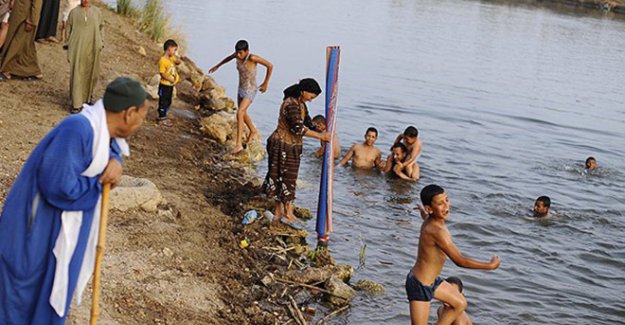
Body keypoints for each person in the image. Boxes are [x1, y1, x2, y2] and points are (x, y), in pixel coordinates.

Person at [0, 77, 148, 324]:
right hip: (33, 230)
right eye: (142, 116)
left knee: (49, 295)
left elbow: (112, 150)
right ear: (129, 113)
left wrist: (117, 163)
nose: (141, 123)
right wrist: (100, 182)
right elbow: (57, 185)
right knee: (21, 296)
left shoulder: (102, 130)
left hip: (60, 230)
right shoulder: (77, 129)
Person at [408, 184, 501, 325]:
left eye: (447, 199)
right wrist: (489, 266)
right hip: (420, 284)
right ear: (430, 208)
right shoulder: (436, 231)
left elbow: (425, 216)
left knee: (459, 303)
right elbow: (459, 261)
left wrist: (422, 212)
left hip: (433, 281)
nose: (446, 206)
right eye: (440, 203)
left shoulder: (431, 219)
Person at [262, 79, 330, 230]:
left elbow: (307, 123)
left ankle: (282, 212)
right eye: (311, 96)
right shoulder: (291, 104)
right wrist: (321, 137)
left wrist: (319, 129)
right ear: (303, 91)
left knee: (288, 177)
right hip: (282, 144)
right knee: (283, 177)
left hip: (290, 146)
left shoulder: (301, 104)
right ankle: (285, 212)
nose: (311, 100)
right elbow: (298, 128)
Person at [209, 40, 273, 154]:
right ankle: (253, 130)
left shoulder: (253, 58)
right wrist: (217, 66)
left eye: (241, 53)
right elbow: (229, 58)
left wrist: (265, 83)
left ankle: (238, 145)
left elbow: (270, 65)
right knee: (243, 113)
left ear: (247, 51)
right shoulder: (237, 56)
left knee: (240, 113)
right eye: (237, 53)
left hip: (251, 89)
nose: (238, 55)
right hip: (241, 88)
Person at [65, 0, 104, 113]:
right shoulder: (74, 12)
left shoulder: (97, 12)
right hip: (77, 47)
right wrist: (69, 45)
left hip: (93, 46)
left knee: (91, 72)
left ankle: (86, 99)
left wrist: (101, 43)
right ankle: (76, 104)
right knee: (77, 73)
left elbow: (101, 27)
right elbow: (69, 30)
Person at [0, 0, 43, 81]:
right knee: (26, 46)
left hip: (25, 17)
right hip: (18, 14)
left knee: (17, 43)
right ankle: (35, 72)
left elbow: (37, 4)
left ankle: (7, 70)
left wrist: (32, 21)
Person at [157, 39, 180, 127]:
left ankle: (164, 115)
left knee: (168, 101)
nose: (175, 52)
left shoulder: (171, 58)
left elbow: (178, 62)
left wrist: (176, 56)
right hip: (165, 85)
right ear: (169, 48)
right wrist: (170, 79)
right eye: (174, 50)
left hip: (170, 85)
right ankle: (162, 117)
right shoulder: (163, 60)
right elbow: (162, 73)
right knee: (163, 101)